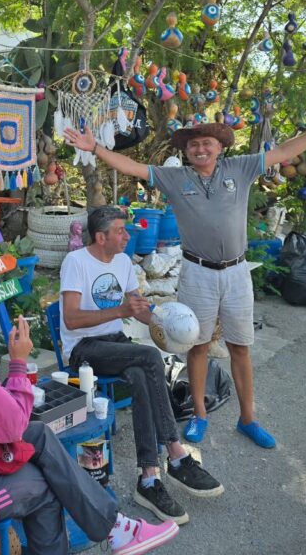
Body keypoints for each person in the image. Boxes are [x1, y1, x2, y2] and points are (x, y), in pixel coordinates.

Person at [64, 102, 306, 451]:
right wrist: (96, 148)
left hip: (236, 273)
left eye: (207, 143)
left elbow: (282, 152)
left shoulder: (240, 168)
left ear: (220, 147)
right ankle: (199, 414)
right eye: (193, 145)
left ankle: (248, 418)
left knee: (240, 347)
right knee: (198, 346)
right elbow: (133, 166)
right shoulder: (176, 178)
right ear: (186, 152)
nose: (200, 149)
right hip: (197, 272)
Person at [0, 264, 180, 555]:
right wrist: (18, 363)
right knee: (46, 488)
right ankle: (115, 528)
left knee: (38, 434)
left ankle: (116, 528)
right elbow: (12, 426)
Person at [59, 206, 224, 526]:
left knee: (141, 374)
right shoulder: (76, 262)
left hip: (115, 343)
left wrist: (170, 323)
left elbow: (138, 310)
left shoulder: (122, 262)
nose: (127, 236)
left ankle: (148, 478)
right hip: (83, 349)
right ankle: (176, 453)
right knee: (149, 358)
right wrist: (119, 311)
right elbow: (71, 319)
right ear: (101, 237)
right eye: (120, 231)